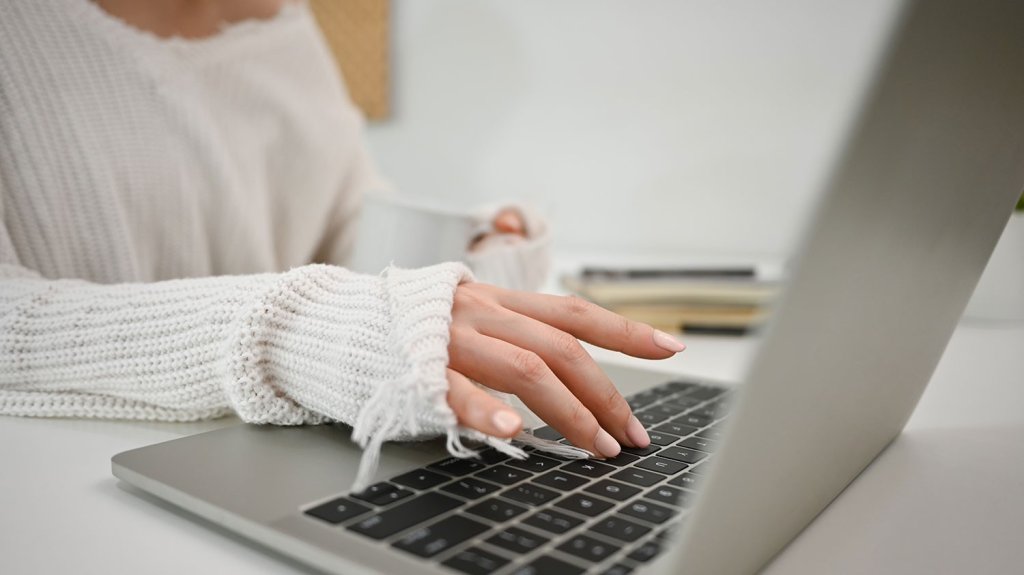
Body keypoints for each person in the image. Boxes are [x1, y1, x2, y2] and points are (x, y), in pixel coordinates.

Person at [0, 0, 685, 487]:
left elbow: (346, 231)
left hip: (268, 450)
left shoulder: (288, 25)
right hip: (73, 478)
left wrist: (462, 248)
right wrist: (297, 329)